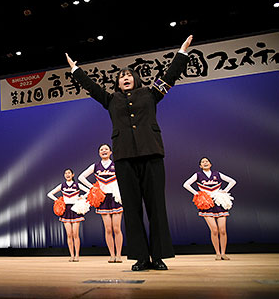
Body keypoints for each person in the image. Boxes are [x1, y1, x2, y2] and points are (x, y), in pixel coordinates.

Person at [65, 35, 193, 271]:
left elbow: (170, 77)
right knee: (132, 209)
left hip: (151, 154)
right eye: (120, 77)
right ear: (117, 83)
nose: (124, 78)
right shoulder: (111, 100)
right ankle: (141, 257)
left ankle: (159, 255)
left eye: (128, 75)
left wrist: (182, 53)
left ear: (136, 79)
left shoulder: (151, 94)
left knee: (156, 206)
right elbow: (93, 88)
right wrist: (76, 70)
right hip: (124, 159)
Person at [183, 157, 236, 260]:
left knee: (223, 230)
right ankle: (217, 253)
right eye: (203, 162)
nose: (205, 163)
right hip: (206, 204)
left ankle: (223, 253)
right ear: (200, 166)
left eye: (207, 161)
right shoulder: (198, 175)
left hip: (219, 203)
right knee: (214, 230)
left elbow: (232, 181)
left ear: (210, 164)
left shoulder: (217, 174)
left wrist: (224, 191)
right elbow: (186, 184)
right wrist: (197, 194)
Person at [78, 143, 124, 263]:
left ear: (110, 152)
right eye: (101, 150)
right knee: (108, 229)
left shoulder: (116, 165)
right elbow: (81, 177)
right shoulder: (95, 166)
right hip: (103, 199)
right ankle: (112, 255)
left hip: (115, 198)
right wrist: (93, 188)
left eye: (106, 149)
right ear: (99, 153)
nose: (104, 151)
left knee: (117, 228)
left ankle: (119, 255)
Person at [47, 168, 89, 261]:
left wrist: (82, 197)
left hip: (75, 209)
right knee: (69, 234)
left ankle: (77, 255)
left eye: (69, 173)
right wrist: (58, 201)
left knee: (75, 234)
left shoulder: (77, 185)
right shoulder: (62, 185)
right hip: (66, 210)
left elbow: (89, 191)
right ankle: (72, 255)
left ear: (73, 174)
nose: (67, 174)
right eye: (65, 173)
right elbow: (50, 194)